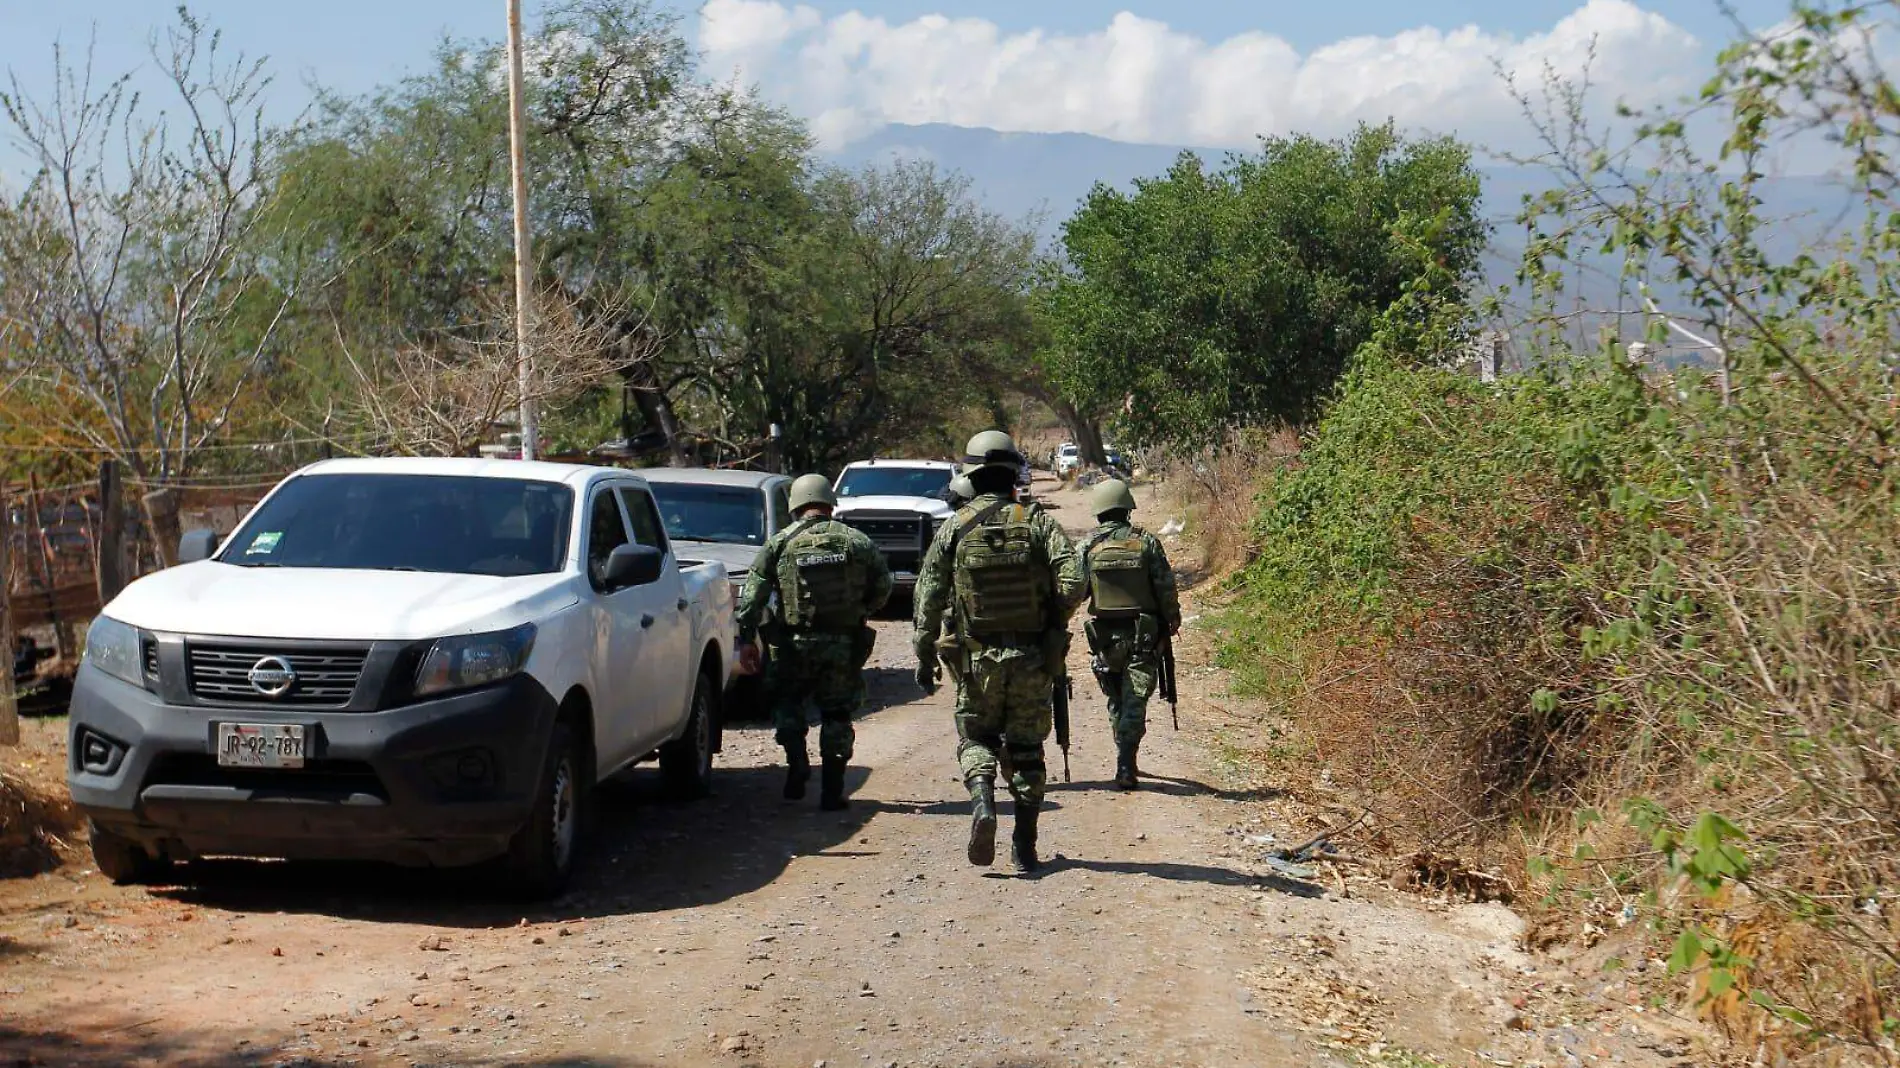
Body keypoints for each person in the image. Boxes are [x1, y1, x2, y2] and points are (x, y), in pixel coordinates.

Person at [913, 431, 1084, 872]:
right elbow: (1074, 583)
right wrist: (1052, 616)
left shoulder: (954, 528)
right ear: (1014, 476)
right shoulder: (1038, 522)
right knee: (1027, 749)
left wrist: (924, 653)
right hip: (1031, 659)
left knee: (977, 738)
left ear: (971, 476)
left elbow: (928, 596)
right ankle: (1024, 846)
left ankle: (984, 801)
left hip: (976, 661)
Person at [736, 473, 892, 810]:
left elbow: (752, 598)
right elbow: (883, 586)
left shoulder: (779, 543)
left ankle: (797, 763)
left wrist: (746, 639)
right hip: (841, 643)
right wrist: (861, 609)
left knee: (787, 704)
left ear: (796, 505)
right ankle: (832, 792)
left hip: (792, 644)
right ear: (829, 504)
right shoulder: (856, 541)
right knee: (836, 713)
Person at [1079, 479, 1181, 790]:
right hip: (1144, 635)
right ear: (1127, 510)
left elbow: (1075, 591)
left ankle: (1125, 756)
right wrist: (1172, 620)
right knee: (1135, 700)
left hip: (1106, 639)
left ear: (1099, 513)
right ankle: (1126, 760)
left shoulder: (1088, 546)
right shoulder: (1147, 542)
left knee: (1116, 699)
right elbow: (1165, 587)